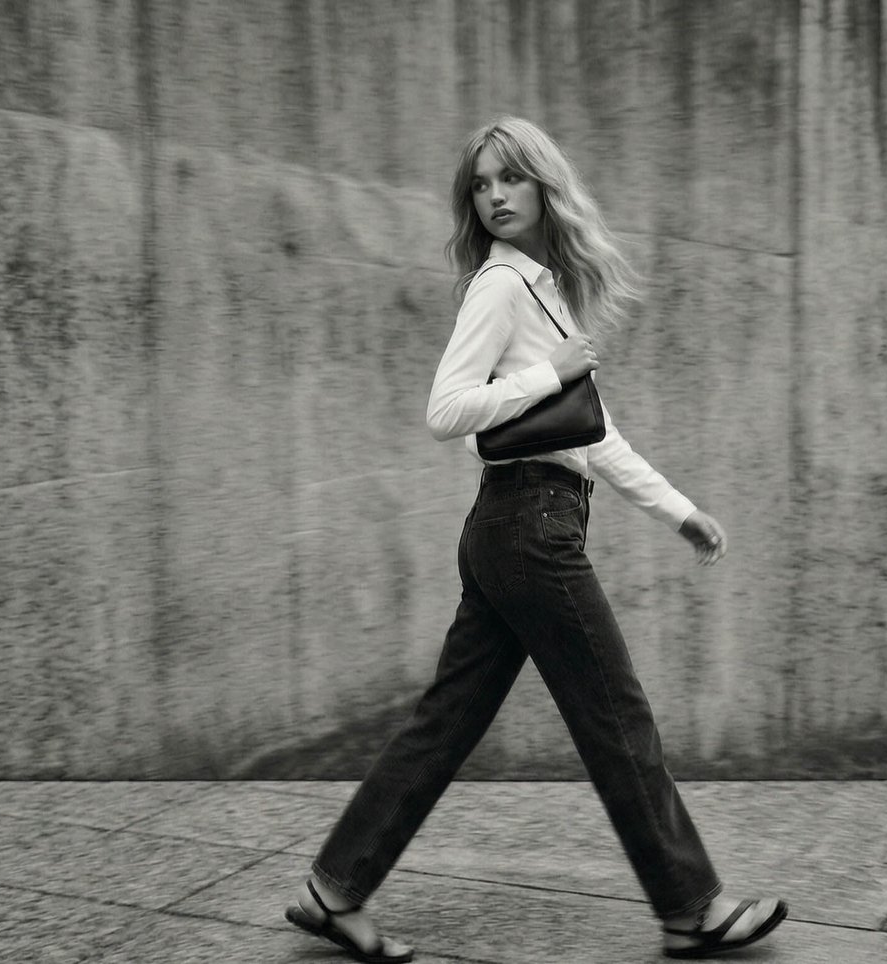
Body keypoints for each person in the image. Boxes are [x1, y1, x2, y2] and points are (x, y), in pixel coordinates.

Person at [284, 116, 787, 962]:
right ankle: (690, 909)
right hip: (529, 529)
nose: (494, 196)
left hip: (515, 527)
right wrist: (545, 373)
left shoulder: (545, 292)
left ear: (545, 185)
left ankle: (333, 890)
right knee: (616, 716)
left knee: (445, 723)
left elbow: (594, 436)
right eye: (481, 184)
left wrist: (679, 510)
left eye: (509, 178)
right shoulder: (501, 284)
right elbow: (446, 411)